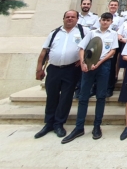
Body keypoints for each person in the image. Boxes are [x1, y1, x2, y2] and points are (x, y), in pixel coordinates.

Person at [62, 13, 118, 143]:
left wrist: (99, 63)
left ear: (111, 22)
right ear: (100, 20)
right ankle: (79, 127)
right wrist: (83, 62)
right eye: (103, 20)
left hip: (104, 66)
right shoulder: (92, 33)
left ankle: (97, 126)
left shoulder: (113, 34)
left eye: (108, 20)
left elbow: (112, 51)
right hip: (88, 65)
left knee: (101, 96)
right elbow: (81, 48)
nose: (105, 22)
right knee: (83, 97)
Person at [34, 11, 88, 139]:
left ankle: (59, 123)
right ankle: (49, 123)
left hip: (71, 70)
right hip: (53, 69)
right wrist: (39, 69)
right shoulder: (55, 32)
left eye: (72, 17)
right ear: (63, 18)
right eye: (67, 17)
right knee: (51, 96)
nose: (70, 19)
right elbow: (44, 51)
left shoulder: (83, 31)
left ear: (77, 19)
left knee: (66, 97)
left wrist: (82, 60)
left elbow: (90, 47)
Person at [106, 0, 124, 97]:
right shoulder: (102, 17)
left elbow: (119, 31)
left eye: (115, 5)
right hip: (102, 43)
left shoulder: (120, 19)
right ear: (108, 5)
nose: (113, 6)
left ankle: (110, 87)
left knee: (112, 65)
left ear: (118, 6)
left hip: (114, 43)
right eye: (111, 5)